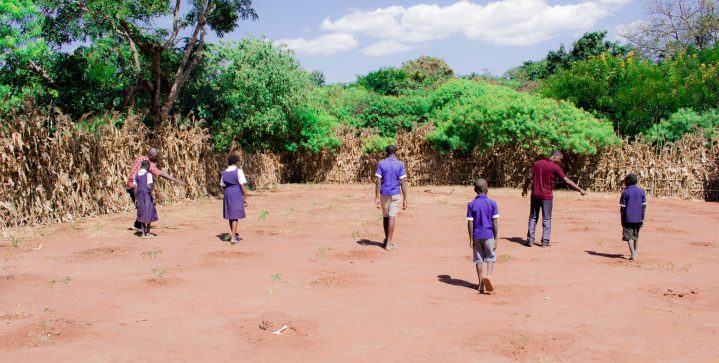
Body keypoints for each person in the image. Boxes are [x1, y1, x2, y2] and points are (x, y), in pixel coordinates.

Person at [521, 150, 585, 247]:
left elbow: (529, 177)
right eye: (559, 159)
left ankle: (530, 240)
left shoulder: (537, 164)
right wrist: (580, 189)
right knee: (546, 218)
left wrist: (524, 189)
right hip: (546, 196)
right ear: (555, 156)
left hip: (535, 195)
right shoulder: (555, 167)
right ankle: (545, 241)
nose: (559, 162)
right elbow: (566, 180)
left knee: (533, 217)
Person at [126, 148, 185, 232]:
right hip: (136, 187)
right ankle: (140, 228)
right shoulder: (148, 164)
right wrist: (176, 180)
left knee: (141, 206)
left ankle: (138, 225)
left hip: (130, 185)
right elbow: (161, 174)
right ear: (150, 155)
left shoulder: (140, 158)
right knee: (146, 206)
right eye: (156, 156)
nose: (157, 158)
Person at [466, 178, 499, 294]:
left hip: (477, 236)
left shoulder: (471, 205)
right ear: (487, 189)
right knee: (490, 257)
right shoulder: (492, 203)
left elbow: (470, 222)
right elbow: (495, 221)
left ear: (475, 190)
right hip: (489, 235)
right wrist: (496, 237)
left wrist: (471, 239)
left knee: (478, 259)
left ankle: (480, 282)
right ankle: (488, 276)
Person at [374, 145, 408, 251]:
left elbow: (378, 181)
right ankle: (389, 243)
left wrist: (376, 197)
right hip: (396, 194)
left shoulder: (381, 163)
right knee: (392, 216)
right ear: (395, 152)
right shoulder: (400, 164)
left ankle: (387, 241)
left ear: (386, 153)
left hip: (384, 193)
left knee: (385, 217)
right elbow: (403, 182)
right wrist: (406, 199)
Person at [221, 154, 249, 244]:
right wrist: (245, 196)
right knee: (235, 216)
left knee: (230, 215)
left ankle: (234, 235)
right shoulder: (238, 171)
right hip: (236, 192)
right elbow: (242, 185)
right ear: (236, 162)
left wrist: (228, 191)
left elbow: (222, 185)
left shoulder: (224, 172)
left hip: (227, 193)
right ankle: (233, 238)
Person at [620, 173, 646, 260]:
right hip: (638, 218)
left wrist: (622, 220)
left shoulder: (625, 192)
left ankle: (633, 254)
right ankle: (635, 252)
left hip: (628, 218)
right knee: (636, 236)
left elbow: (622, 208)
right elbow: (643, 207)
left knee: (629, 237)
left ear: (627, 181)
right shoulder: (642, 192)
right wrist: (642, 218)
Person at [134, 160, 158, 238]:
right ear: (147, 166)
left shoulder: (136, 175)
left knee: (142, 213)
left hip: (140, 196)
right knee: (149, 212)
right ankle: (147, 233)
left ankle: (143, 233)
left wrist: (136, 199)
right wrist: (154, 198)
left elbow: (135, 188)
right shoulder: (148, 175)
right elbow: (150, 187)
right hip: (147, 195)